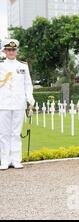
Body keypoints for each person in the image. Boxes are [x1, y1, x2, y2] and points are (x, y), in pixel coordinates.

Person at [0, 39, 35, 170]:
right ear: (4, 51)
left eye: (13, 50)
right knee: (3, 133)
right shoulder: (1, 65)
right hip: (3, 103)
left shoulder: (23, 66)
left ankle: (15, 159)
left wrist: (30, 98)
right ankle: (4, 160)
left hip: (19, 103)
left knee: (16, 132)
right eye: (8, 50)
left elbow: (27, 84)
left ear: (16, 51)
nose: (11, 52)